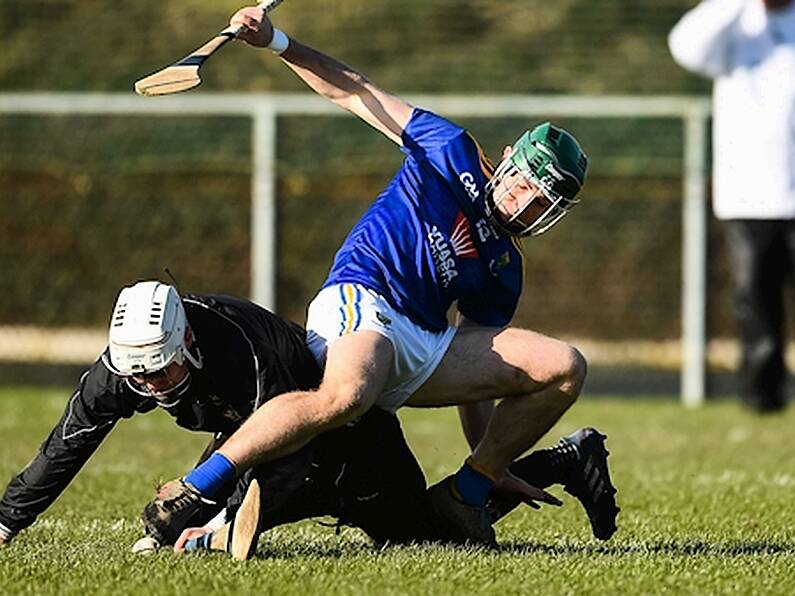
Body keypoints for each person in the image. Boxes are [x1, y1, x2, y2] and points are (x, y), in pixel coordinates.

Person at [147, 4, 618, 549]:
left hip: (422, 346)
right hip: (364, 299)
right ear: (507, 159)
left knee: (564, 367)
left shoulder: (505, 269)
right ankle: (196, 490)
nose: (525, 203)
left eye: (543, 201)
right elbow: (353, 90)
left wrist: (490, 462)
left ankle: (465, 496)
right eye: (524, 184)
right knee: (346, 397)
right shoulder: (451, 150)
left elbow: (479, 378)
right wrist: (278, 41)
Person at [0, 280, 613, 556]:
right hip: (272, 436)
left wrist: (204, 519)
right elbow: (68, 442)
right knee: (218, 509)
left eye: (160, 372)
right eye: (138, 376)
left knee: (426, 531)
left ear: (187, 341)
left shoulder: (243, 351)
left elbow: (277, 442)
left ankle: (563, 458)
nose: (149, 386)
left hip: (343, 431)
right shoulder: (128, 367)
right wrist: (7, 520)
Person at [669, 0, 795, 413]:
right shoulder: (733, 21)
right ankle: (763, 399)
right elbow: (685, 46)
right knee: (755, 303)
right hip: (750, 194)